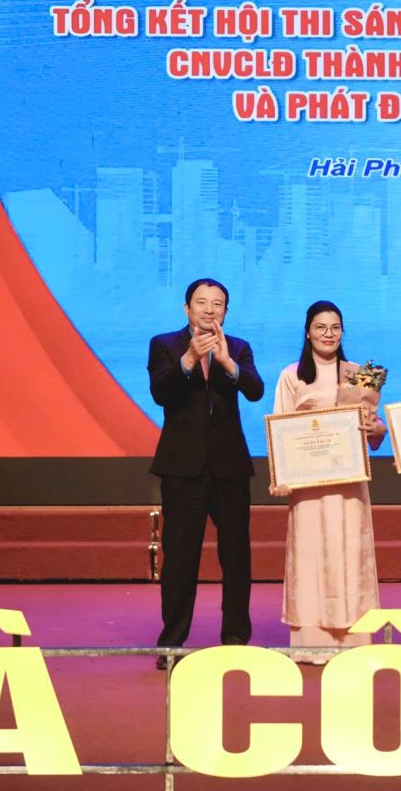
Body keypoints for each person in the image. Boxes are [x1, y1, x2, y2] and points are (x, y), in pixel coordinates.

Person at [147, 278, 264, 670]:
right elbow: (161, 393)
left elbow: (255, 390)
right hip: (183, 467)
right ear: (187, 308)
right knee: (180, 556)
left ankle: (235, 637)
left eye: (218, 304)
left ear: (226, 312)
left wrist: (228, 363)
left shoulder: (240, 347)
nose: (210, 310)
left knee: (236, 556)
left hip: (229, 466)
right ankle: (172, 643)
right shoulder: (164, 345)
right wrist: (190, 360)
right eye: (201, 302)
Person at [271, 301, 385, 663]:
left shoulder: (357, 374)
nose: (328, 334)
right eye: (321, 327)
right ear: (308, 331)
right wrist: (282, 477)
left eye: (335, 327)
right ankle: (311, 641)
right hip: (308, 490)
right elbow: (279, 428)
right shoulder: (292, 375)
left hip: (348, 487)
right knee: (311, 558)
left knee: (348, 554)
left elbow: (375, 429)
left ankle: (352, 642)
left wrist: (375, 428)